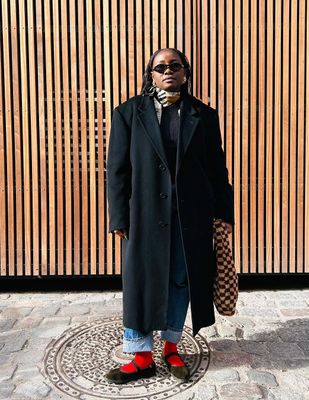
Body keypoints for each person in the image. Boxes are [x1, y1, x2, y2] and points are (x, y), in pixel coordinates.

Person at [106, 48, 234, 384]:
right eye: (160, 67)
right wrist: (118, 217)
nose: (168, 71)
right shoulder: (128, 114)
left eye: (174, 65)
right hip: (144, 216)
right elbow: (116, 171)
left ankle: (171, 347)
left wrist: (223, 212)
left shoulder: (204, 116)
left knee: (181, 279)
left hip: (190, 216)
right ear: (150, 74)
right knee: (140, 281)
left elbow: (216, 169)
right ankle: (141, 354)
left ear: (185, 72)